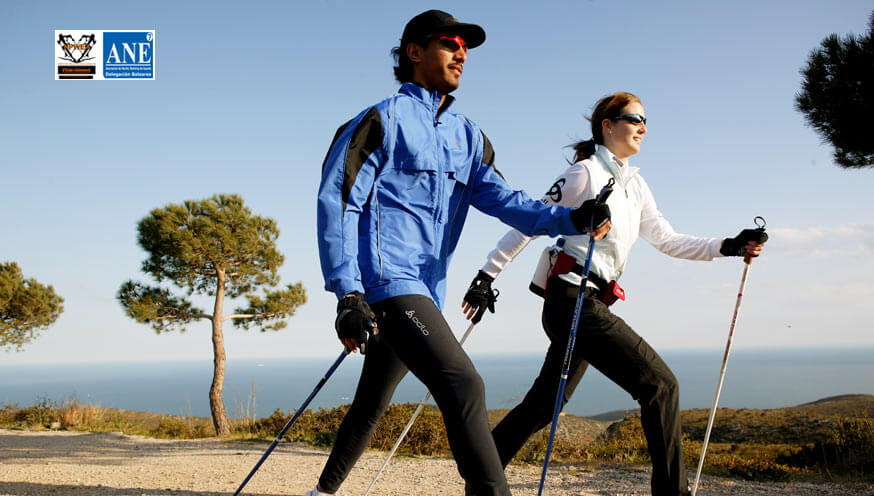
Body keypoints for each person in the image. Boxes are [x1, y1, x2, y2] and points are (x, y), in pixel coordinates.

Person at [312, 10, 609, 496]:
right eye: (450, 43)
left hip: (427, 291)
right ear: (413, 51)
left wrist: (570, 219)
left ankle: (321, 493)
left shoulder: (468, 136)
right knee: (464, 384)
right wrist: (347, 293)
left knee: (371, 401)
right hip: (387, 285)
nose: (461, 53)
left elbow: (507, 201)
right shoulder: (379, 121)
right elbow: (337, 203)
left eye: (465, 47)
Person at [461, 91, 767, 496]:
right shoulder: (584, 173)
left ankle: (482, 477)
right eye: (632, 118)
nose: (642, 125)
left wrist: (728, 245)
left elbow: (668, 240)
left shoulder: (635, 184)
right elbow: (528, 222)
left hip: (589, 303)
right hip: (572, 300)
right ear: (607, 126)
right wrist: (486, 276)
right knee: (660, 385)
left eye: (645, 120)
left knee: (544, 403)